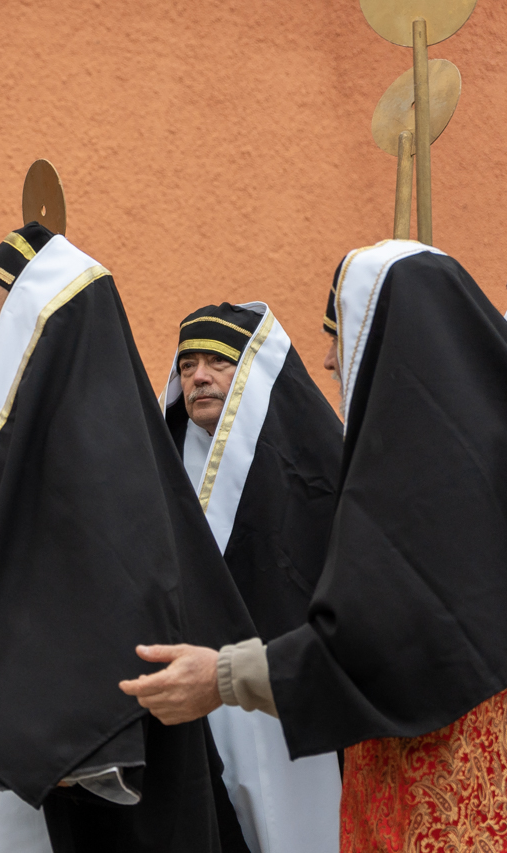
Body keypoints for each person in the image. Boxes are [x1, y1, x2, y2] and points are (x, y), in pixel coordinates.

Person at [121, 239, 507, 851]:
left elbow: (378, 640)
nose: (327, 358)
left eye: (341, 336)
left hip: (451, 779)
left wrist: (223, 676)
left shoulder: (422, 480)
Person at [0, 222, 254, 852]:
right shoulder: (1, 429)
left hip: (56, 764)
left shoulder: (84, 447)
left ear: (19, 319)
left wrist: (72, 743)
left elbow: (115, 591)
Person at [161, 303, 343, 852]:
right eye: (187, 365)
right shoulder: (163, 474)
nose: (198, 377)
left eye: (217, 362)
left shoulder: (317, 467)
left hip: (283, 698)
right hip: (199, 702)